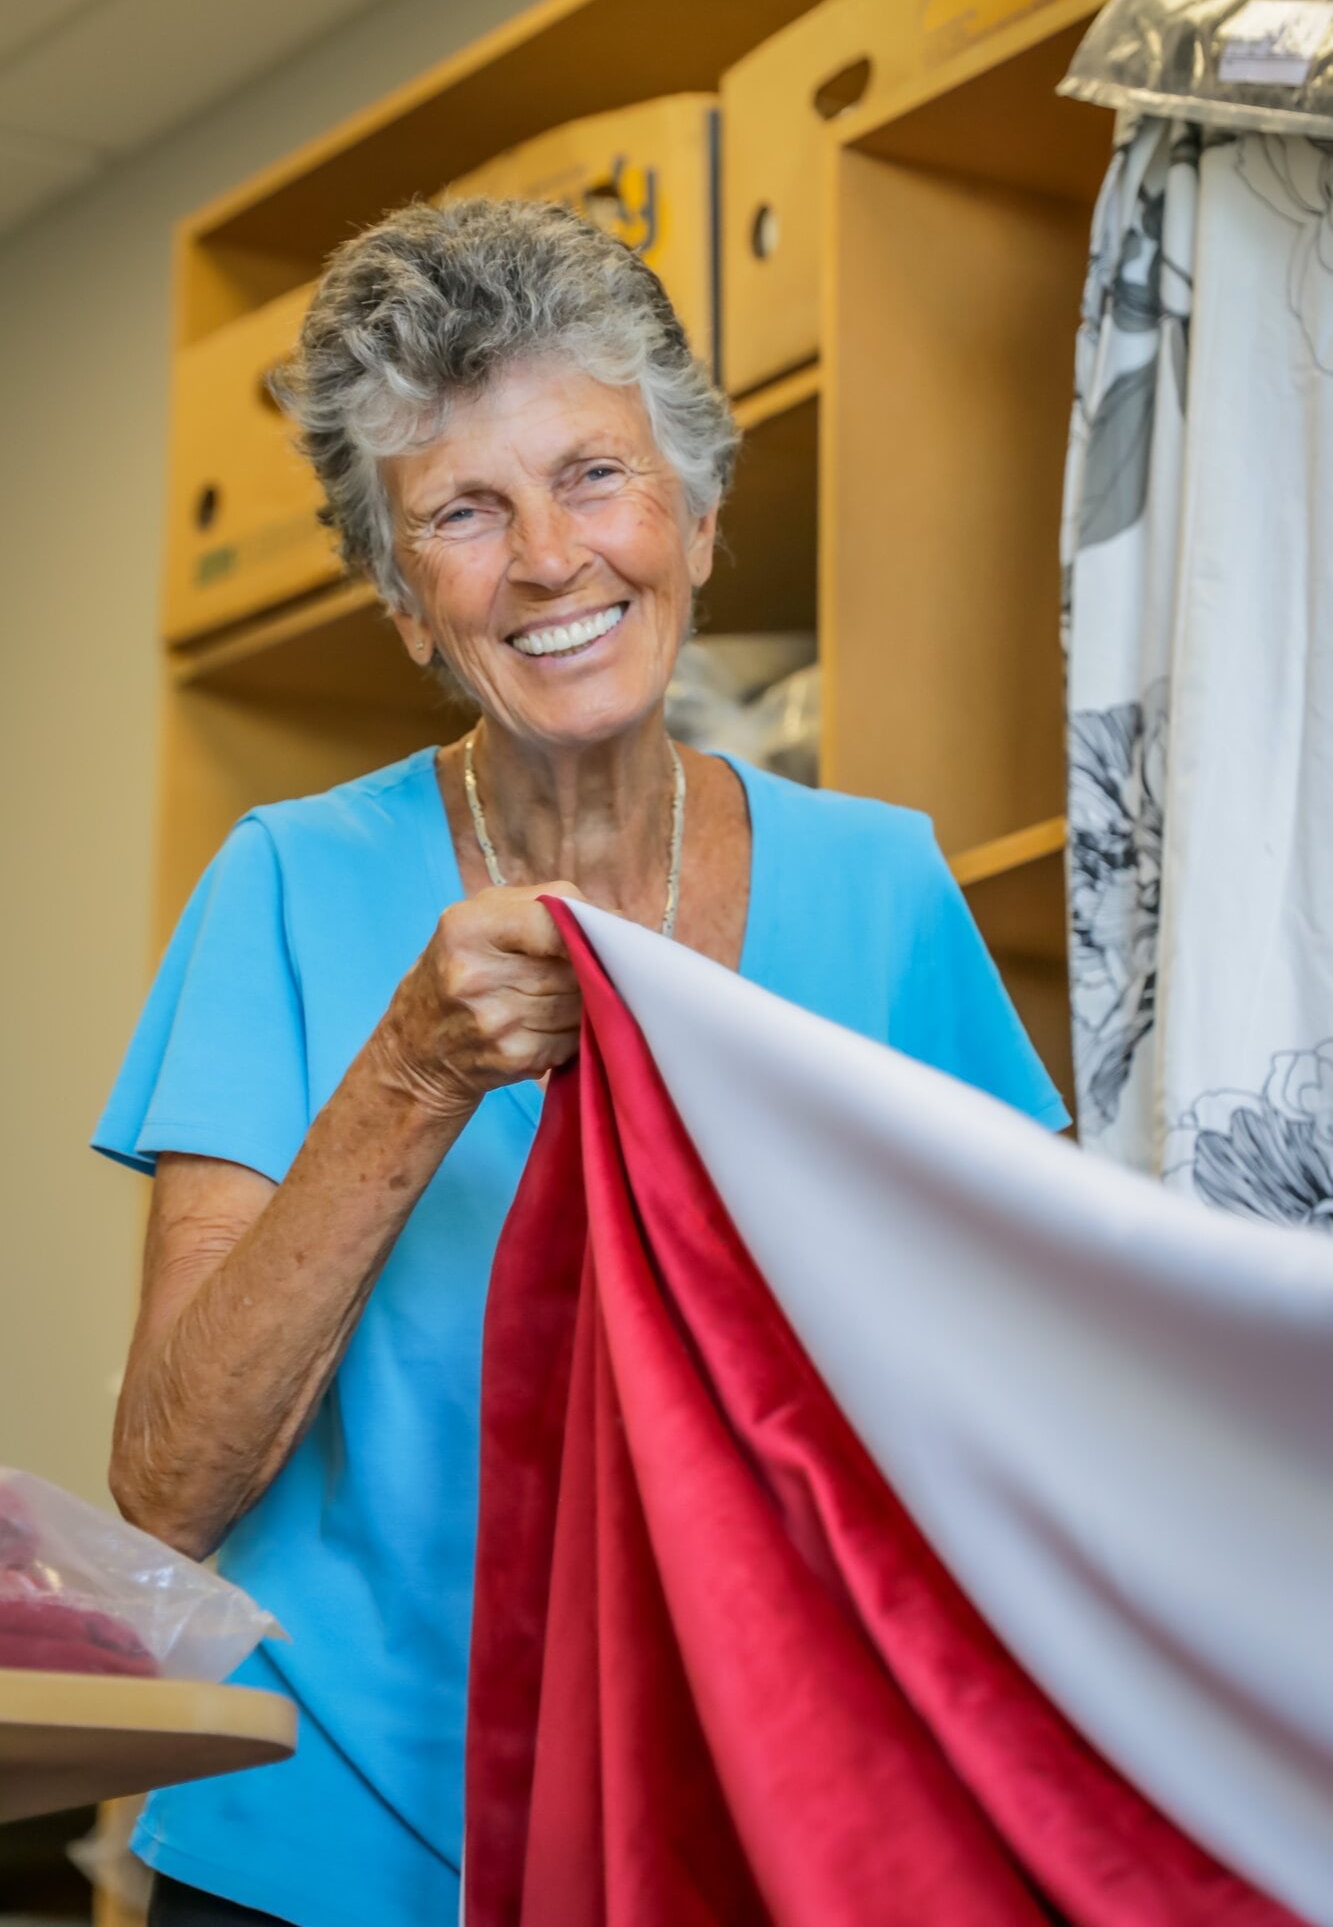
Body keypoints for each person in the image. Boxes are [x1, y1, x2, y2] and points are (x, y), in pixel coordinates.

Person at [94, 196, 1070, 1927]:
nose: (549, 559)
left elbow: (1028, 1400)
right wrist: (408, 1075)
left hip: (760, 1819)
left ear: (697, 515)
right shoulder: (286, 884)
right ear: (406, 605)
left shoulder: (885, 888)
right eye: (464, 513)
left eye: (594, 477)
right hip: (333, 1842)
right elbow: (169, 1484)